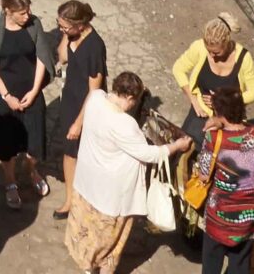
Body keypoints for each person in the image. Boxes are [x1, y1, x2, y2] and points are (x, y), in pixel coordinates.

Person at [67, 71, 191, 274]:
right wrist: (176, 146)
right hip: (110, 196)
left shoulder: (96, 98)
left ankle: (87, 266)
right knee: (108, 241)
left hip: (87, 182)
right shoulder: (124, 124)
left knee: (86, 233)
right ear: (131, 98)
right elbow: (148, 154)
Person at [0, 0, 53, 209]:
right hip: (4, 95)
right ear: (7, 10)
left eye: (28, 11)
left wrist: (35, 90)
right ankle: (10, 181)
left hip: (30, 92)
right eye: (22, 13)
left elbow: (42, 58)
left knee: (34, 141)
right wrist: (6, 95)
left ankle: (31, 171)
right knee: (6, 145)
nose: (27, 16)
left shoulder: (34, 24)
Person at [192, 85, 254, 274]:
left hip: (220, 217)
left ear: (220, 113)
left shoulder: (214, 139)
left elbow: (203, 174)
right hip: (249, 216)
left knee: (211, 264)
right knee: (240, 263)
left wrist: (214, 127)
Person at [47, 0, 108, 218]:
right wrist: (67, 34)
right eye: (59, 25)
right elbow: (62, 57)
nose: (61, 29)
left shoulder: (94, 47)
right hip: (71, 100)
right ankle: (69, 199)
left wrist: (79, 122)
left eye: (65, 26)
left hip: (87, 106)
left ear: (81, 25)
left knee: (86, 155)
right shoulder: (72, 35)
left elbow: (95, 91)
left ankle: (87, 200)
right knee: (69, 152)